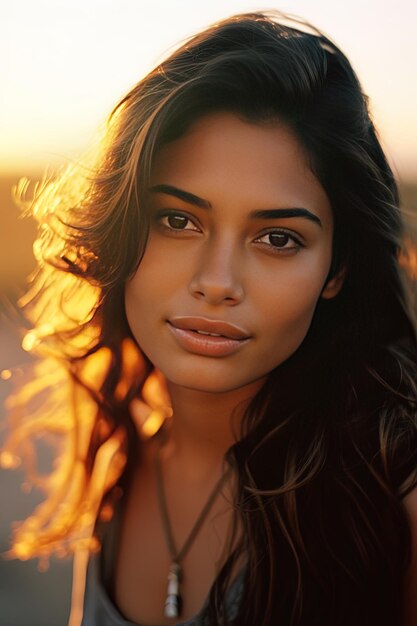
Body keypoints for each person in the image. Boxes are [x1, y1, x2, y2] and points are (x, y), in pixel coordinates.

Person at [2, 10, 417, 626]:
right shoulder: (121, 462)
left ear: (337, 271)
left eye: (278, 238)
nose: (217, 283)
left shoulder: (395, 495)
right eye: (177, 220)